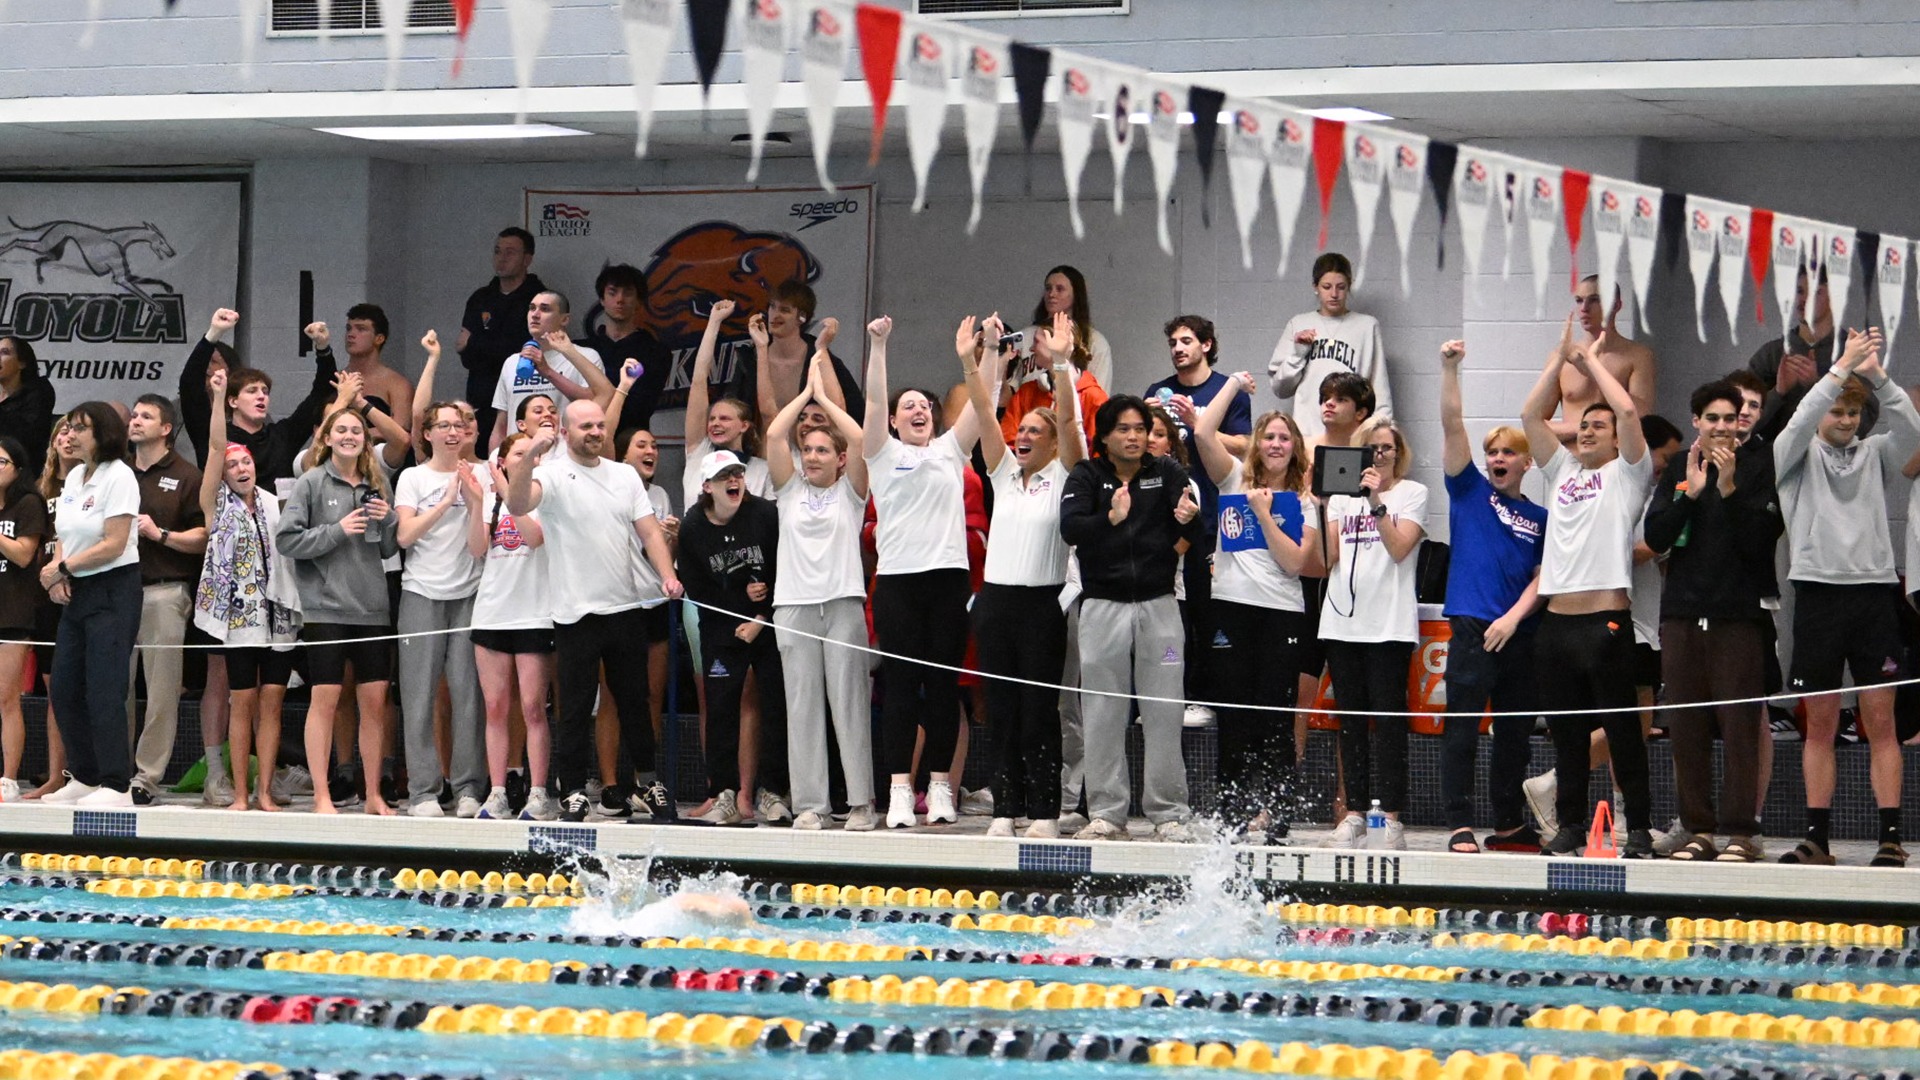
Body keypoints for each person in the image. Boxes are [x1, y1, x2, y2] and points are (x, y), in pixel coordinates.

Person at [1777, 329, 1918, 867]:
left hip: (1874, 595)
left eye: (1854, 413)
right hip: (1816, 593)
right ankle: (1817, 839)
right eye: (1836, 411)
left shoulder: (1878, 454)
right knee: (1821, 723)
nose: (1845, 420)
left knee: (1881, 722)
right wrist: (1839, 370)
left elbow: (1913, 430)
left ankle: (1889, 836)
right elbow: (1796, 419)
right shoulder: (1794, 456)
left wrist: (1878, 376)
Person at [505, 400, 683, 824]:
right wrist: (530, 454)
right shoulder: (550, 474)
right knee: (575, 706)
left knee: (635, 703)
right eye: (586, 425)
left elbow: (649, 531)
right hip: (574, 615)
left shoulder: (624, 476)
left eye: (600, 425)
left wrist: (667, 574)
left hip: (624, 608)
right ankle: (572, 790)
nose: (596, 431)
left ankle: (648, 780)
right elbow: (515, 505)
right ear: (566, 433)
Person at [1519, 323, 1656, 859]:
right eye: (1585, 424)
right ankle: (1571, 825)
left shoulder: (1628, 475)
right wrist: (1559, 359)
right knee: (1568, 738)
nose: (1592, 430)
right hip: (1556, 625)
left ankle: (1639, 827)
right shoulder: (1561, 473)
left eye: (1601, 425)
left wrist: (1592, 362)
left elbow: (1627, 411)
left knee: (1623, 734)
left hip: (1606, 623)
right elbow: (1531, 415)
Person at [1642, 380, 1782, 862]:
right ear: (1697, 422)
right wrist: (1691, 494)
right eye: (1713, 418)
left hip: (1737, 616)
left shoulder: (1759, 468)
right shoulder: (1680, 470)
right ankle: (1698, 828)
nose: (1722, 427)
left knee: (1741, 725)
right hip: (1681, 613)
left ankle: (1741, 830)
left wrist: (1727, 489)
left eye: (1730, 418)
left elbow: (1759, 543)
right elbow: (1656, 536)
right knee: (1687, 726)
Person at [958, 312, 1084, 839]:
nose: (1024, 435)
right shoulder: (1005, 474)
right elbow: (986, 412)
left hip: (1041, 607)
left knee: (1039, 714)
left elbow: (1073, 426)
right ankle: (1006, 809)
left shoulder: (1066, 474)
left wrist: (1060, 367)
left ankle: (1046, 814)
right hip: (997, 605)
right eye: (1023, 429)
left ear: (1053, 444)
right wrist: (972, 361)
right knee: (1003, 713)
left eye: (1036, 430)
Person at [1059, 395, 1204, 842]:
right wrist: (1110, 517)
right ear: (1104, 436)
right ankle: (1106, 814)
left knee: (1164, 709)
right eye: (1124, 429)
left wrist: (1188, 520)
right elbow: (1071, 528)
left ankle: (1170, 813)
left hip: (1160, 608)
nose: (1135, 436)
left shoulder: (1167, 472)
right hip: (1102, 609)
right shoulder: (1086, 475)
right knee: (1103, 712)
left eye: (1140, 428)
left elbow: (1196, 532)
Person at [861, 315, 981, 829]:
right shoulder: (882, 455)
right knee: (902, 688)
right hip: (899, 584)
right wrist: (880, 346)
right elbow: (871, 402)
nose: (918, 410)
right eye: (907, 405)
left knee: (943, 688)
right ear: (893, 420)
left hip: (948, 581)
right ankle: (898, 793)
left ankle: (940, 787)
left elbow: (983, 402)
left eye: (924, 406)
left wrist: (977, 356)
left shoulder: (952, 451)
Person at [1195, 370, 1317, 841]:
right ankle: (1231, 812)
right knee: (1234, 713)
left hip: (1281, 614)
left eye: (1285, 437)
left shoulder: (1304, 500)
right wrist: (1233, 385)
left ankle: (1277, 811)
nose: (1277, 443)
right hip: (1231, 609)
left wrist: (1264, 514)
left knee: (1274, 716)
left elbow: (1294, 563)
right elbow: (1202, 432)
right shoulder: (1230, 479)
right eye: (1269, 435)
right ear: (1257, 443)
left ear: (1295, 446)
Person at [1436, 340, 1546, 854]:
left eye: (1507, 453)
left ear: (1527, 463)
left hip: (1519, 635)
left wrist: (1514, 618)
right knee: (1461, 729)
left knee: (1515, 738)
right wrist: (1449, 368)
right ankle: (1458, 821)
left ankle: (1506, 823)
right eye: (1492, 453)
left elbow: (1544, 577)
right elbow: (1452, 424)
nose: (1498, 459)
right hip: (1472, 627)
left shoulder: (1543, 519)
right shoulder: (1469, 491)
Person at [766, 352, 877, 832]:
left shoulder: (852, 494)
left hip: (843, 606)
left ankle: (860, 803)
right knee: (803, 708)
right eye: (807, 450)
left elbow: (860, 437)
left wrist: (827, 405)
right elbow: (773, 434)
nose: (812, 457)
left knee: (850, 705)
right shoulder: (787, 490)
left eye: (821, 451)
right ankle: (811, 803)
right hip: (792, 607)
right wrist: (805, 397)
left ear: (840, 460)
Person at [275, 406, 400, 815]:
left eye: (357, 431)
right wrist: (337, 530)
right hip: (326, 609)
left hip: (372, 609)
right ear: (327, 438)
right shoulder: (310, 483)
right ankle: (323, 796)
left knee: (374, 705)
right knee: (325, 700)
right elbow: (288, 541)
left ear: (366, 439)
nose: (350, 436)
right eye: (341, 430)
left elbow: (386, 548)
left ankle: (373, 795)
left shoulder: (377, 484)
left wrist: (389, 520)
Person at [192, 369, 302, 811]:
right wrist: (218, 398)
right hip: (240, 623)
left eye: (246, 462)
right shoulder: (215, 503)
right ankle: (239, 793)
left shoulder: (276, 504)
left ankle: (264, 791)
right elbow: (218, 446)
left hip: (278, 619)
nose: (240, 467)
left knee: (272, 705)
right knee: (243, 703)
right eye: (233, 465)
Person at [1319, 415, 1427, 850]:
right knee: (1350, 723)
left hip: (1389, 626)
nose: (1380, 455)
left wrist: (1377, 501)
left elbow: (1400, 548)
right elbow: (1326, 558)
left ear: (1399, 453)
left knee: (1389, 722)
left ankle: (1392, 816)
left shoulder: (1412, 493)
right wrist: (1321, 503)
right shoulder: (1342, 500)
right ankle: (1355, 812)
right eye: (1372, 448)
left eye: (1387, 448)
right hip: (1342, 622)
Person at [37, 403, 143, 807]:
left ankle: (117, 784)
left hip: (114, 590)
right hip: (78, 590)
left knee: (104, 690)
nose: (71, 435)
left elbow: (114, 543)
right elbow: (66, 531)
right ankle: (85, 774)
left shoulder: (120, 476)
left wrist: (63, 567)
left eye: (80, 428)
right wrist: (59, 572)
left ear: (103, 433)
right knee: (63, 689)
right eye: (68, 427)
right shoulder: (77, 476)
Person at [1149, 315, 1250, 729]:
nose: (1178, 348)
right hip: (1166, 520)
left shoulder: (1225, 390)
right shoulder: (1158, 392)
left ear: (1207, 344)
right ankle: (1168, 695)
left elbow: (1245, 445)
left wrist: (1199, 425)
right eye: (1173, 341)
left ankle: (1206, 696)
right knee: (1172, 612)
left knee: (1208, 612)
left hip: (1213, 517)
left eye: (1186, 340)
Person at [678, 449, 787, 825]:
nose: (734, 481)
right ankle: (722, 793)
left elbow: (784, 567)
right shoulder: (693, 527)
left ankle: (773, 791)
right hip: (722, 624)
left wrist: (761, 613)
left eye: (738, 474)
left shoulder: (765, 515)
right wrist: (741, 604)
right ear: (707, 486)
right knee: (721, 707)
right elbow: (696, 586)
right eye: (724, 476)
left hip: (767, 621)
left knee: (775, 705)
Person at [393, 403, 488, 818]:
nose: (453, 432)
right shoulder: (413, 477)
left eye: (459, 425)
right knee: (419, 697)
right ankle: (423, 792)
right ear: (427, 434)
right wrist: (447, 498)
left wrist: (473, 502)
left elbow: (479, 545)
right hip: (421, 593)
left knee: (469, 695)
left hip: (469, 594)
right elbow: (404, 535)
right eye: (443, 426)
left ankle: (468, 787)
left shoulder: (481, 475)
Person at [468, 432, 558, 822]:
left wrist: (507, 491)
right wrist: (476, 505)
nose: (526, 459)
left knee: (533, 708)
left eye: (532, 454)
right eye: (518, 453)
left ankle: (538, 792)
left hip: (535, 612)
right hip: (492, 613)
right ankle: (499, 791)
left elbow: (534, 538)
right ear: (502, 460)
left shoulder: (544, 498)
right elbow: (476, 549)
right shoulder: (489, 501)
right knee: (495, 708)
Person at [124, 394, 210, 804]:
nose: (135, 420)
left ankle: (147, 776)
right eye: (134, 414)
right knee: (112, 688)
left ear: (166, 429)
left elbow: (203, 537)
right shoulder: (115, 471)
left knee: (160, 692)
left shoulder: (187, 475)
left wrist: (160, 534)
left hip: (164, 590)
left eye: (146, 416)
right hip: (116, 593)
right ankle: (113, 771)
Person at [180, 309, 341, 483]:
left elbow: (321, 393)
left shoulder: (283, 436)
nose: (261, 396)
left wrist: (323, 348)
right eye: (251, 391)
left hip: (278, 510)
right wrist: (213, 334)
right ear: (233, 401)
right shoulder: (214, 434)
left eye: (265, 391)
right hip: (225, 510)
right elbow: (190, 387)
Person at [1270, 252, 1393, 442]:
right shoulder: (1299, 323)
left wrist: (1383, 437)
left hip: (1352, 437)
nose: (1334, 294)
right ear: (1315, 287)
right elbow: (1280, 388)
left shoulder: (1367, 326)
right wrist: (1297, 354)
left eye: (1341, 287)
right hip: (1307, 435)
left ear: (1349, 287)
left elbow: (1379, 390)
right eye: (1326, 287)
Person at [1533, 277, 1658, 447]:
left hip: (1616, 465)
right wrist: (1584, 429)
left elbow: (1642, 417)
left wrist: (1591, 371)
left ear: (1616, 305)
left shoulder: (1637, 356)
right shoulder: (1561, 357)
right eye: (1579, 301)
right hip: (1572, 462)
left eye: (1595, 300)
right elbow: (1535, 424)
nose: (1584, 308)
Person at [1748, 268, 1860, 444]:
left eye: (1815, 291)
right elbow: (1742, 423)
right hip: (1776, 465)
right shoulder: (1772, 355)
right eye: (1800, 291)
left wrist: (1819, 385)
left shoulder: (1854, 353)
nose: (1803, 299)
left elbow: (1866, 419)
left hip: (1837, 465)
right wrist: (1778, 393)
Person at [490, 290, 613, 451]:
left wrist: (548, 372)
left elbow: (596, 401)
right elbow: (501, 425)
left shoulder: (584, 356)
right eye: (532, 308)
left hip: (562, 457)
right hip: (519, 458)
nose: (535, 314)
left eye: (545, 309)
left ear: (564, 319)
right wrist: (495, 462)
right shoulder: (512, 362)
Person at [460, 227, 546, 453]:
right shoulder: (481, 298)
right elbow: (464, 353)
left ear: (527, 259)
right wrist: (496, 346)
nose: (502, 258)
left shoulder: (539, 299)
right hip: (481, 397)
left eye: (510, 252)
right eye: (498, 251)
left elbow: (526, 351)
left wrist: (478, 343)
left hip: (522, 398)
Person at [732, 280, 863, 427]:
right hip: (762, 448)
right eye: (772, 307)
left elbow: (848, 412)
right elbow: (731, 410)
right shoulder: (750, 359)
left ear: (802, 317)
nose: (775, 315)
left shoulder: (821, 358)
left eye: (784, 310)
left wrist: (822, 348)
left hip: (809, 447)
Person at [685, 300, 776, 507]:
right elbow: (699, 380)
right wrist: (714, 321)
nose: (715, 423)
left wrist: (762, 349)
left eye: (725, 418)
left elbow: (770, 414)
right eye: (712, 419)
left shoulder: (761, 469)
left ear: (744, 425)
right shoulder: (698, 454)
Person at [0, 435, 49, 802]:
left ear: (17, 468)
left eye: (1, 462)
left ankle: (8, 776)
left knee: (7, 698)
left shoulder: (29, 504)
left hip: (13, 612)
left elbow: (22, 555)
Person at [999, 290, 1108, 449]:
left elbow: (1101, 452)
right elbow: (1008, 443)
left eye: (1036, 342)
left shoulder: (1094, 398)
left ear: (1054, 345)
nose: (1031, 348)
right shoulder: (1026, 393)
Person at [1001, 265, 1113, 406]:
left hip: (1076, 416)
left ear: (1076, 295)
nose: (1052, 294)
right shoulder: (1027, 335)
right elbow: (1011, 389)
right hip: (1028, 414)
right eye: (1048, 288)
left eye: (1060, 289)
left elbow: (1100, 398)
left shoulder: (1096, 342)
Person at [582, 263, 672, 429]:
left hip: (630, 440)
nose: (620, 300)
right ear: (602, 299)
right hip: (583, 436)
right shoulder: (582, 350)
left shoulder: (656, 351)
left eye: (628, 293)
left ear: (639, 301)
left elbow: (641, 407)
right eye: (612, 292)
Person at [317, 306, 415, 438]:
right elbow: (318, 427)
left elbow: (401, 432)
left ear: (379, 339)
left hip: (380, 456)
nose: (351, 334)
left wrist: (351, 434)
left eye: (361, 329)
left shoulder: (397, 384)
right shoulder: (335, 379)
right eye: (348, 328)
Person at [0, 337, 55, 477]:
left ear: (22, 362)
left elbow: (28, 436)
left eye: (4, 352)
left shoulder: (39, 391)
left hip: (24, 475)